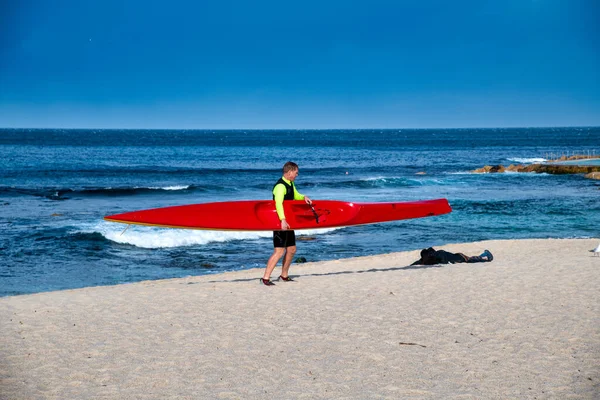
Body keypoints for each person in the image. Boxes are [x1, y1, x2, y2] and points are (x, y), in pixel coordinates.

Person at [261, 161, 312, 286]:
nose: (297, 175)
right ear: (289, 172)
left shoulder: (290, 183)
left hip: (288, 222)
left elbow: (295, 195)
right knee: (279, 251)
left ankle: (284, 275)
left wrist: (303, 197)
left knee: (292, 249)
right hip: (280, 222)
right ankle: (265, 278)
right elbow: (278, 203)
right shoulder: (280, 186)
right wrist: (282, 220)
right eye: (296, 173)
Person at [411, 247, 493, 265]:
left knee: (472, 259)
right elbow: (417, 263)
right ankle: (484, 254)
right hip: (457, 256)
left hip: (460, 257)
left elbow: (445, 262)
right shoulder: (425, 260)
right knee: (473, 258)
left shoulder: (439, 255)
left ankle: (486, 255)